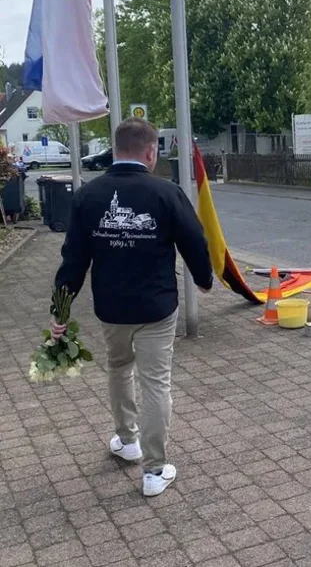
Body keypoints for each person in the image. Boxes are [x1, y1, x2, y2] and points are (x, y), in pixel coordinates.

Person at [51, 117, 213, 497]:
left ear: (115, 149)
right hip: (157, 307)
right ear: (151, 152)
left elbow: (73, 260)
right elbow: (195, 239)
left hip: (112, 308)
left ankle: (127, 440)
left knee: (119, 367)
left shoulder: (88, 196)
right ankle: (154, 471)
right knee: (155, 382)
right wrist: (204, 278)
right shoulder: (166, 193)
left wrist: (60, 310)